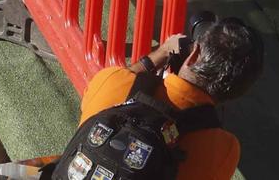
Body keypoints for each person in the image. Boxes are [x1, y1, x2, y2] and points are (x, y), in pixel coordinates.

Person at [49, 14, 264, 180]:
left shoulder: (113, 82)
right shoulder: (225, 148)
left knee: (45, 166)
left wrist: (161, 53)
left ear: (194, 55)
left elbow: (124, 76)